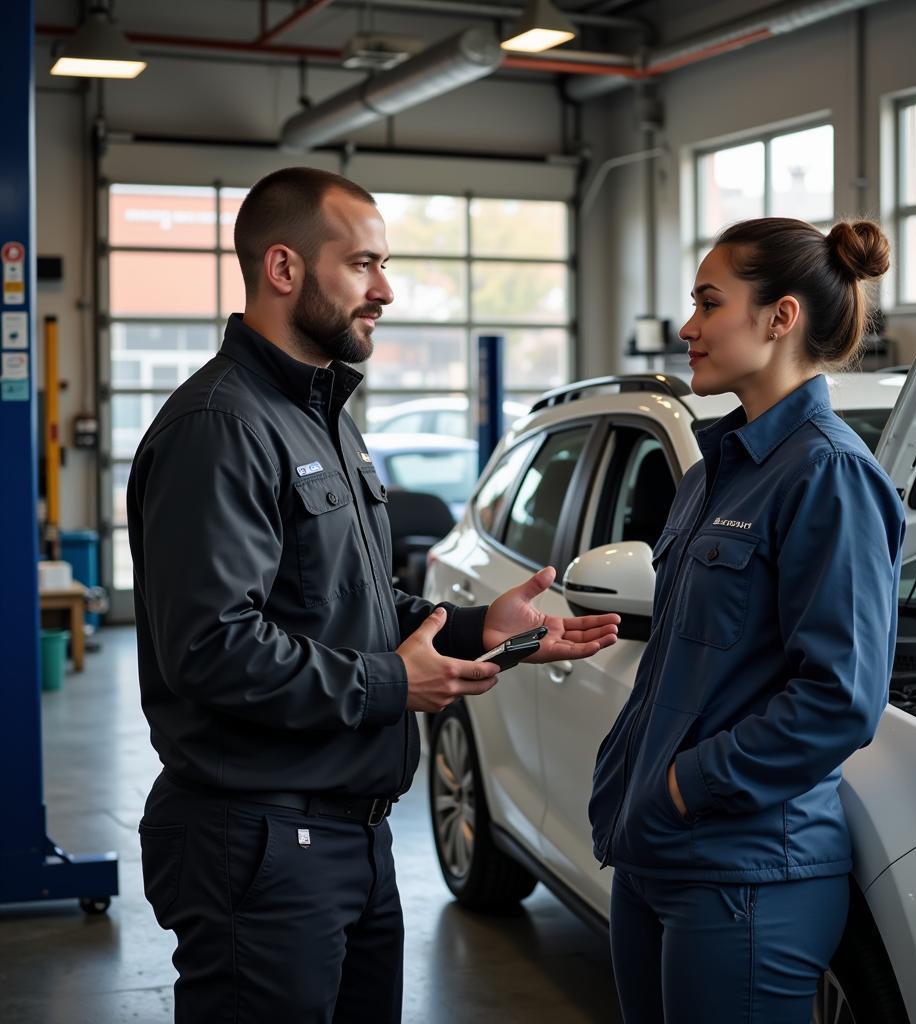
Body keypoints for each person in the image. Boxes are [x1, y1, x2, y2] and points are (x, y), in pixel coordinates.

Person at [128, 166, 620, 1024]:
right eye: (363, 265)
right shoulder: (221, 427)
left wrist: (473, 629)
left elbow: (352, 607)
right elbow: (210, 648)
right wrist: (394, 686)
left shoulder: (327, 420)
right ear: (283, 269)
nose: (385, 291)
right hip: (259, 843)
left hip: (352, 837)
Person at [588, 217, 906, 1023]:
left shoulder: (829, 475)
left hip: (747, 874)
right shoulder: (712, 475)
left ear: (780, 317)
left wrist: (684, 786)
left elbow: (839, 697)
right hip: (655, 853)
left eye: (707, 303)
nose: (687, 329)